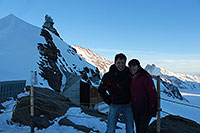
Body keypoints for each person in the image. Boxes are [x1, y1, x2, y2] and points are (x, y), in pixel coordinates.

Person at [98, 53, 134, 133]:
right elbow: (101, 90)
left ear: (125, 63)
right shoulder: (108, 76)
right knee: (110, 128)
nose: (121, 65)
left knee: (130, 128)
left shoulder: (129, 74)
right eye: (118, 63)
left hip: (127, 104)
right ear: (114, 63)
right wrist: (109, 101)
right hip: (114, 105)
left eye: (123, 63)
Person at [128, 59, 158, 133]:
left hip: (146, 110)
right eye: (130, 66)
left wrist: (153, 109)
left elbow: (152, 94)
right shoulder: (131, 77)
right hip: (136, 109)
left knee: (142, 130)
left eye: (134, 66)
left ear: (138, 67)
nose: (132, 68)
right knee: (138, 129)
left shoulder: (145, 77)